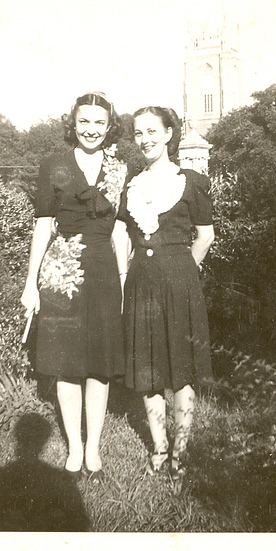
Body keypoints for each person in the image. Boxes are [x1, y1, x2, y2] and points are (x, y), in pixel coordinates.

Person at [21, 92, 127, 482]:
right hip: (62, 274)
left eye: (100, 123)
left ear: (109, 125)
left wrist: (123, 278)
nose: (92, 130)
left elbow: (120, 230)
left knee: (98, 365)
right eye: (85, 122)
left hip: (102, 274)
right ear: (74, 123)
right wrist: (30, 283)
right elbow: (43, 225)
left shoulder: (120, 168)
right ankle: (74, 450)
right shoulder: (55, 165)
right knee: (67, 365)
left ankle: (94, 449)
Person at [114, 106, 215, 481]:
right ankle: (159, 447)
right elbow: (123, 233)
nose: (145, 139)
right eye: (139, 133)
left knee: (183, 370)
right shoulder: (132, 186)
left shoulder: (191, 182)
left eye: (153, 131)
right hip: (141, 280)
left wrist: (183, 271)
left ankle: (180, 452)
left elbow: (205, 236)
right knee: (148, 368)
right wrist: (126, 273)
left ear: (170, 133)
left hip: (180, 281)